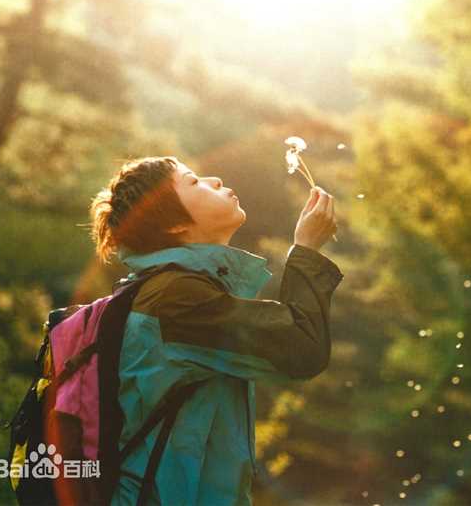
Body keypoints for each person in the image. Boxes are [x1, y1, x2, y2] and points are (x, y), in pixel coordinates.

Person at [88, 155, 344, 505]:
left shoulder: (169, 290)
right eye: (193, 182)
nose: (215, 180)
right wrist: (307, 250)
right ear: (175, 225)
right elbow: (302, 348)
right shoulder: (175, 300)